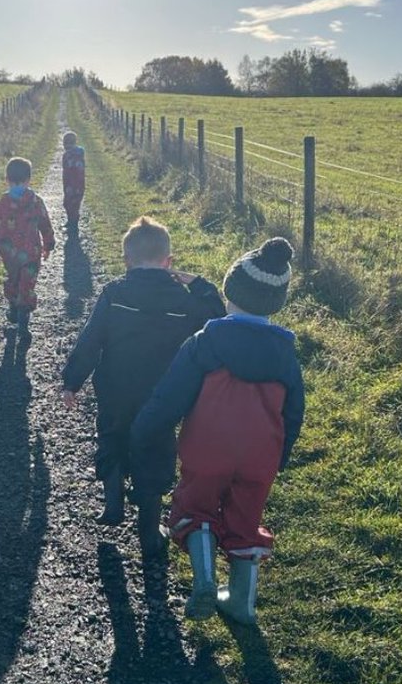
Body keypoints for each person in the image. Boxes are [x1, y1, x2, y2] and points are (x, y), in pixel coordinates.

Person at [131, 237, 304, 624]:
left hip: (208, 447)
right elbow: (294, 411)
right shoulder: (286, 355)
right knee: (245, 521)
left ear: (230, 292)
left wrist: (143, 430)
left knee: (195, 509)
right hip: (262, 454)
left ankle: (206, 579)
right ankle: (241, 603)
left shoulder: (205, 343)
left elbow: (169, 397)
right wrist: (282, 454)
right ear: (276, 303)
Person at [61, 216, 225, 558]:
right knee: (156, 449)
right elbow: (215, 315)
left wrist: (72, 381)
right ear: (169, 261)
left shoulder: (115, 293)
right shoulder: (183, 300)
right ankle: (149, 530)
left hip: (116, 386)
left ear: (127, 260)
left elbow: (91, 339)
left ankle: (113, 490)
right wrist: (197, 282)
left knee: (112, 432)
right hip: (163, 394)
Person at [0, 156, 55, 338]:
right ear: (28, 179)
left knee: (13, 279)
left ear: (7, 180)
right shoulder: (35, 201)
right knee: (27, 283)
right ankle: (23, 319)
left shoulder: (2, 204)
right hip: (30, 252)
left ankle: (13, 305)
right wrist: (48, 245)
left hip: (9, 253)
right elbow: (45, 224)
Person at [61, 131, 86, 229]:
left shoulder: (67, 155)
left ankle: (72, 222)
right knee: (75, 204)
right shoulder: (80, 153)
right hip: (80, 184)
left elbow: (66, 169)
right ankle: (73, 221)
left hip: (70, 184)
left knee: (68, 203)